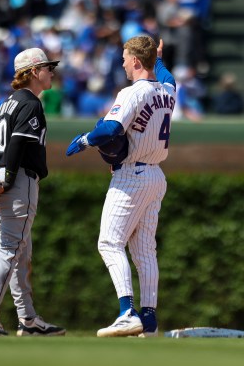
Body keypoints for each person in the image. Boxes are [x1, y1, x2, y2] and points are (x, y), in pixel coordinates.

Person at [65, 36, 176, 337]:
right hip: (156, 176)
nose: (124, 63)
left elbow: (112, 129)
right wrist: (160, 59)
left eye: (126, 58)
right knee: (144, 251)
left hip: (131, 176)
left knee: (109, 243)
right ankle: (149, 320)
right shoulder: (167, 91)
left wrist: (86, 139)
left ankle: (127, 312)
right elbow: (168, 78)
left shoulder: (131, 92)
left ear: (137, 61)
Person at [0, 47, 66, 337]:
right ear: (34, 71)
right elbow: (16, 145)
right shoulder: (30, 104)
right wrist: (8, 179)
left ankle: (28, 320)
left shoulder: (3, 106)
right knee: (11, 251)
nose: (52, 71)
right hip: (17, 182)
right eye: (47, 67)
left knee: (20, 254)